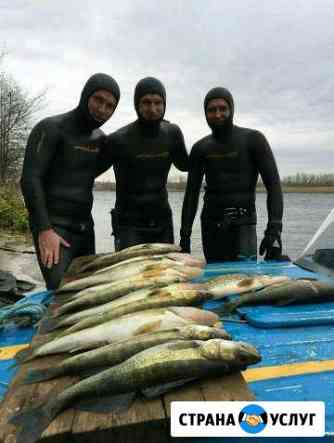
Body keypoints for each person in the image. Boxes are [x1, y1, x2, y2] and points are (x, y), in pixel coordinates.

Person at [20, 73, 120, 290]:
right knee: (61, 292)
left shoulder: (101, 140)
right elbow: (30, 179)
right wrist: (44, 230)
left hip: (85, 228)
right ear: (86, 96)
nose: (102, 109)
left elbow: (85, 175)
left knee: (87, 294)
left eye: (110, 106)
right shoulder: (51, 128)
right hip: (53, 227)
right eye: (98, 100)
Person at [180, 86, 284, 262]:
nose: (218, 114)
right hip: (211, 227)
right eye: (211, 110)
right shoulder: (200, 148)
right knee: (215, 282)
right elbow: (191, 195)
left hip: (244, 225)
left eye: (223, 109)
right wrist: (185, 235)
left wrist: (274, 230)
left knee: (246, 283)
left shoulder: (253, 140)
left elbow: (274, 186)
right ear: (205, 113)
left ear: (232, 110)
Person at [104, 76, 189, 250]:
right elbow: (85, 174)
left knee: (166, 275)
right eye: (146, 102)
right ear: (137, 104)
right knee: (131, 277)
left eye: (158, 103)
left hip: (162, 220)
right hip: (128, 224)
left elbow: (187, 165)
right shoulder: (118, 139)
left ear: (165, 104)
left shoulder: (172, 134)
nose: (153, 109)